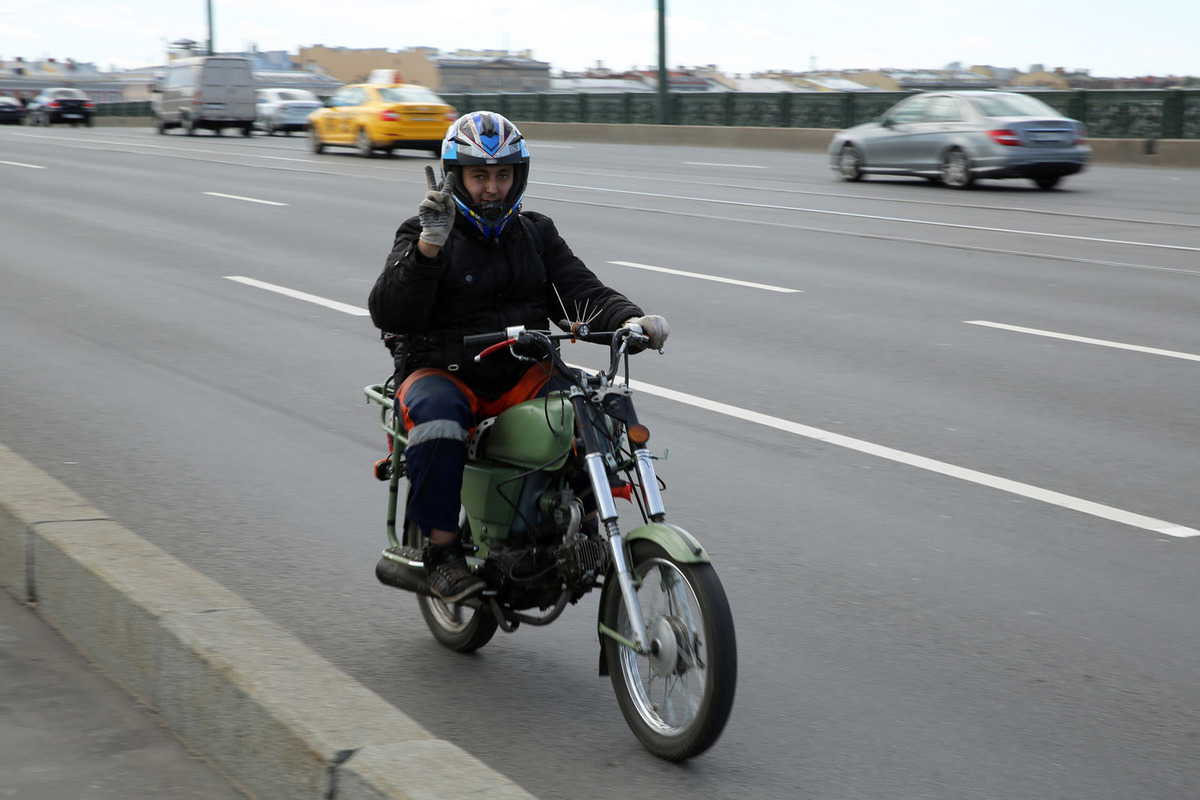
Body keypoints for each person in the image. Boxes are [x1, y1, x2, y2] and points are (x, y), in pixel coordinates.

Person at [368, 111, 669, 603]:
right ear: (456, 176)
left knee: (590, 407)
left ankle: (588, 529)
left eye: (503, 175)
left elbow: (580, 291)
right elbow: (389, 310)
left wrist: (631, 322)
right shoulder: (422, 232)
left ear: (518, 176)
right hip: (444, 371)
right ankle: (441, 556)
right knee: (438, 419)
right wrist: (428, 248)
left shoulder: (535, 234)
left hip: (520, 371)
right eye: (480, 175)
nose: (492, 189)